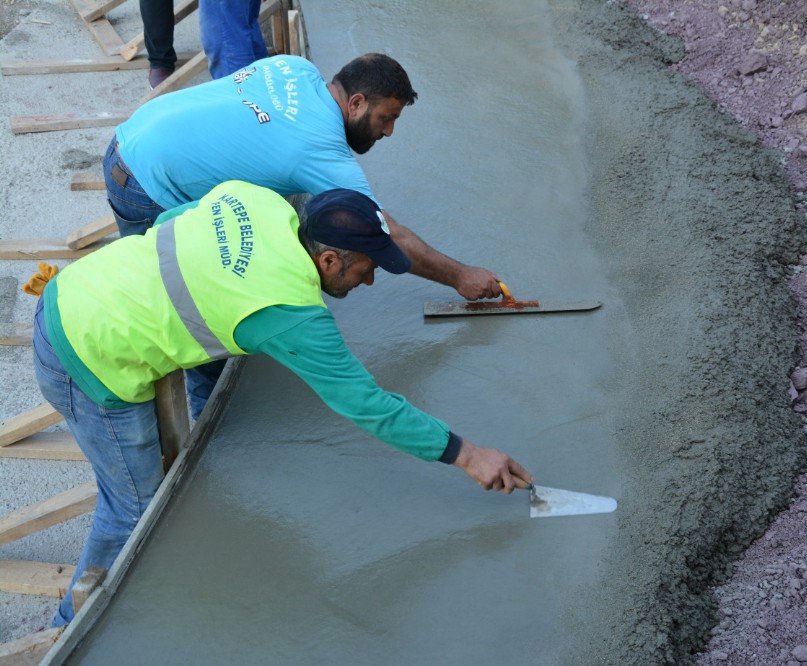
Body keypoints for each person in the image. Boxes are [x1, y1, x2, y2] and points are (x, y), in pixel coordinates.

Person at [31, 180, 533, 627]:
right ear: (328, 260)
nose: (371, 281)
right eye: (367, 269)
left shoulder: (257, 200)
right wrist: (467, 455)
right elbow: (367, 405)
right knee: (134, 509)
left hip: (76, 288)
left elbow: (166, 226)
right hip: (86, 354)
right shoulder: (289, 312)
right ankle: (67, 630)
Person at [104, 52, 503, 417]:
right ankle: (212, 418)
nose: (390, 132)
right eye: (387, 118)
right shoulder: (322, 150)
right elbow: (387, 235)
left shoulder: (295, 68)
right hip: (146, 185)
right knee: (191, 305)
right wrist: (460, 276)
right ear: (357, 103)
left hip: (132, 136)